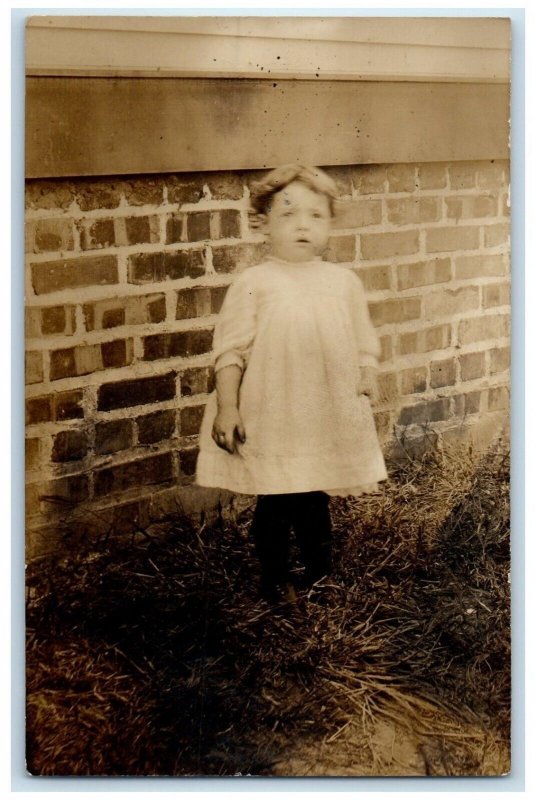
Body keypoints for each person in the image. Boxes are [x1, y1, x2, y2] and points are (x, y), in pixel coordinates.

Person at [196, 164, 387, 604]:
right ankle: (275, 578)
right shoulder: (255, 283)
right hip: (273, 411)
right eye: (289, 215)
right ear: (262, 224)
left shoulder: (344, 284)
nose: (303, 226)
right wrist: (228, 407)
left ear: (331, 224)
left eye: (316, 216)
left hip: (322, 412)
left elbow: (363, 342)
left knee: (314, 498)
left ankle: (321, 574)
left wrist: (366, 375)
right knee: (277, 499)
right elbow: (230, 350)